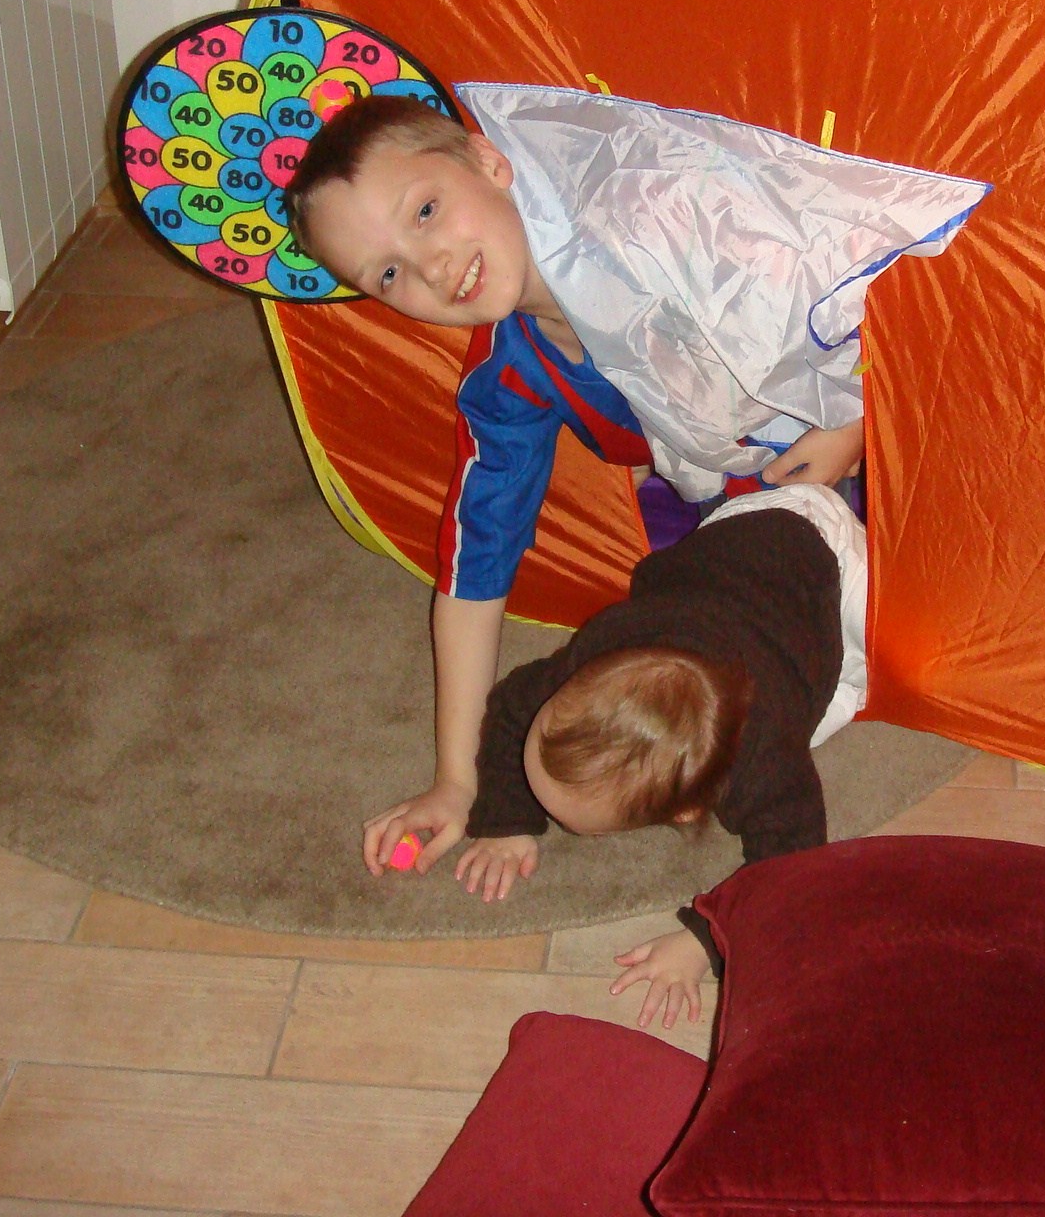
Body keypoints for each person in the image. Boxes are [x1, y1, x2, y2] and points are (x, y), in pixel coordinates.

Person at [280, 92, 964, 874]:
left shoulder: (655, 228)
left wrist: (855, 418)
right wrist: (456, 781)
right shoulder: (514, 375)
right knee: (688, 654)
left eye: (427, 210)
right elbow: (475, 569)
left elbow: (874, 282)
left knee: (936, 612)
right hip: (754, 493)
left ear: (489, 161)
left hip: (882, 410)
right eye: (389, 272)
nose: (431, 268)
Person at [455, 482, 867, 1028]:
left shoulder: (764, 758)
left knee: (853, 691)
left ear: (687, 810)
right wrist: (504, 817)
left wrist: (706, 942)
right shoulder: (588, 663)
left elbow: (792, 872)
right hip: (733, 527)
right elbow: (511, 704)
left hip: (827, 554)